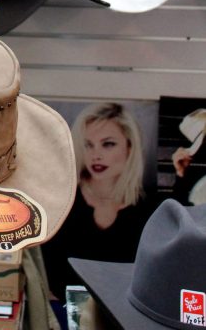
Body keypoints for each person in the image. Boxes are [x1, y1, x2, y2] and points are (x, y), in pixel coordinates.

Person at [41, 101, 158, 306]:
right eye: (88, 144)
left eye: (108, 144)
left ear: (130, 147)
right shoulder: (60, 200)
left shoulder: (151, 210)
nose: (96, 155)